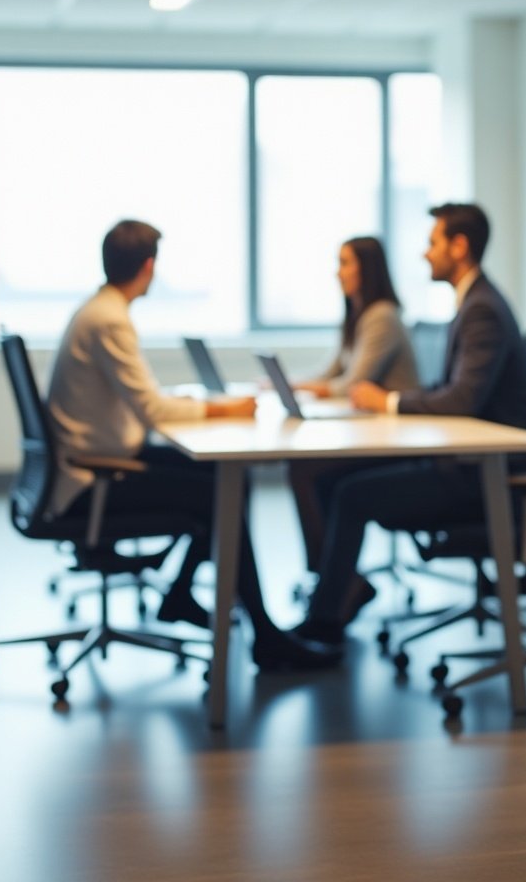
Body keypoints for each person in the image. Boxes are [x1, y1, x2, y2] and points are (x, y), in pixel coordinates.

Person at [46, 219, 338, 671]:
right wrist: (225, 411)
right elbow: (153, 413)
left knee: (223, 478)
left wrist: (189, 404)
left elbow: (143, 404)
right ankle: (263, 634)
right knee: (219, 490)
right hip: (93, 479)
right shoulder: (109, 319)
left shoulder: (98, 310)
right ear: (148, 266)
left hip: (100, 460)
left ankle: (183, 595)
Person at [291, 202, 526, 650]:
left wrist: (390, 401)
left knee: (348, 492)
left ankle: (325, 621)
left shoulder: (482, 310)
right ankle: (338, 595)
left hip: (497, 479)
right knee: (329, 478)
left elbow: (461, 399)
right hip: (470, 463)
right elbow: (449, 389)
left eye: (432, 242)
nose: (424, 254)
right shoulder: (474, 303)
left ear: (459, 247)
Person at [289, 237, 419, 576]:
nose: (338, 273)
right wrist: (293, 383)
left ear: (367, 268)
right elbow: (333, 373)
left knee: (305, 470)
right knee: (308, 471)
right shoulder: (359, 315)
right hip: (370, 432)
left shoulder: (382, 316)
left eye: (345, 263)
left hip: (394, 439)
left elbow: (350, 385)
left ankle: (332, 580)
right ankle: (335, 582)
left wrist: (311, 387)